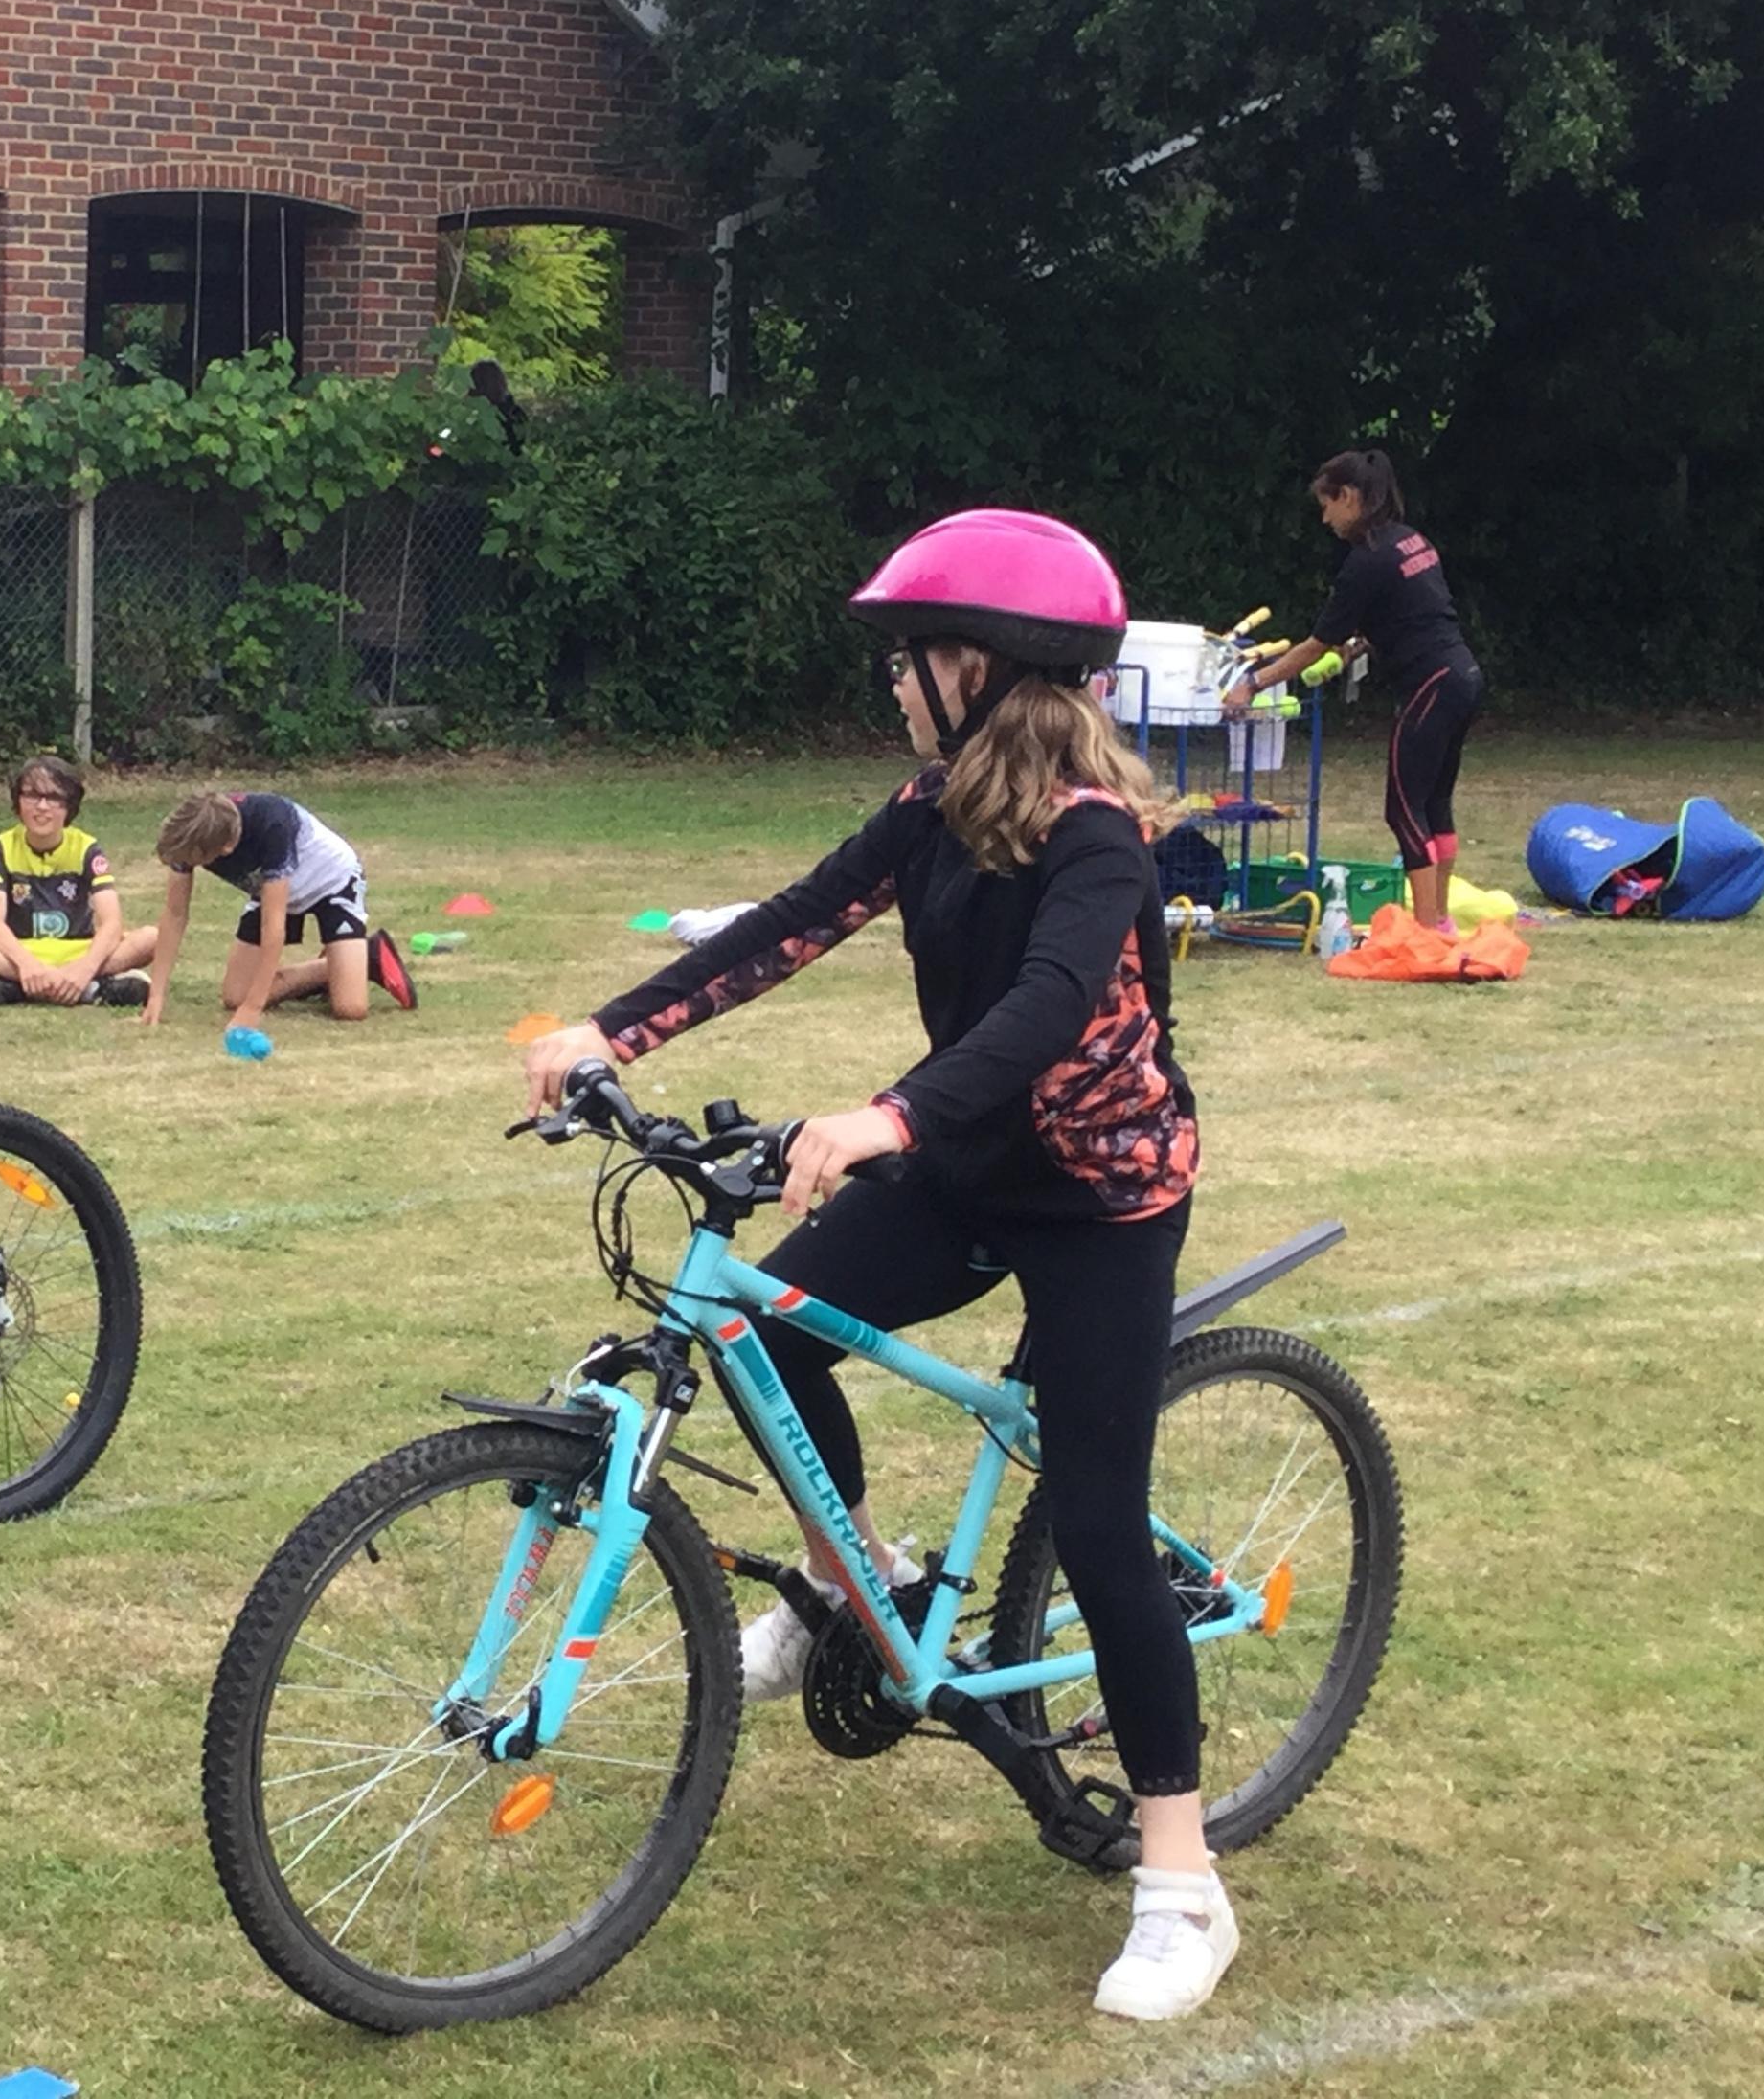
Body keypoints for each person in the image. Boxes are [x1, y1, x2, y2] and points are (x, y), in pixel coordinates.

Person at [519, 509, 1234, 2022]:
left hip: (1098, 1200)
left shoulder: (1098, 839)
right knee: (767, 1337)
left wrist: (887, 1116)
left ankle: (1182, 1884)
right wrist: (612, 1030)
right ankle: (868, 1581)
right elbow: (788, 930)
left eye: (910, 660)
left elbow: (1047, 1007)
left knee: (1097, 1524)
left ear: (980, 669)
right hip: (967, 1167)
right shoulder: (932, 810)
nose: (896, 685)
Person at [1224, 448, 1486, 931]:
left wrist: (1253, 683)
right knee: (1434, 802)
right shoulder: (1410, 540)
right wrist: (1359, 645)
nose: (1325, 518)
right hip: (1463, 675)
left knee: (1402, 809)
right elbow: (1412, 611)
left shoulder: (1366, 561)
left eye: (1327, 504)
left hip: (1430, 682)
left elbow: (1315, 644)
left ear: (1348, 496)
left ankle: (1427, 930)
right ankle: (1441, 922)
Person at [140, 790, 417, 1029]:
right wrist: (156, 996)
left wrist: (253, 1008)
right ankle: (336, 966)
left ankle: (363, 956)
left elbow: (273, 927)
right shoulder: (191, 834)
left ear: (226, 848)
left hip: (332, 882)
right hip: (270, 889)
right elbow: (175, 914)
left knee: (351, 1009)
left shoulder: (272, 824)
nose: (185, 865)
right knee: (235, 997)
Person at [0, 755, 157, 1007]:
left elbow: (111, 922)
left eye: (54, 797)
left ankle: (17, 988)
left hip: (77, 950)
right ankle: (90, 989)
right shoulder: (1, 848)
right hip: (21, 952)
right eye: (32, 795)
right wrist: (28, 965)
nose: (42, 806)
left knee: (152, 938)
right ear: (18, 801)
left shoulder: (87, 848)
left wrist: (83, 969)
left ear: (69, 806)